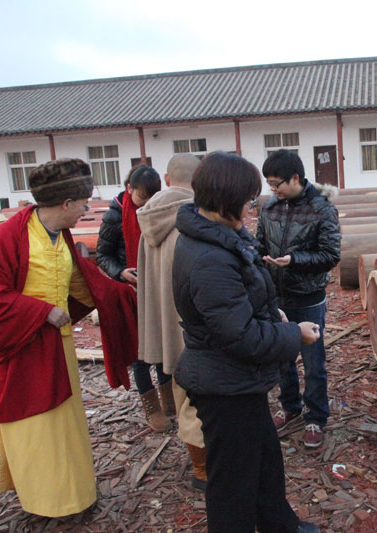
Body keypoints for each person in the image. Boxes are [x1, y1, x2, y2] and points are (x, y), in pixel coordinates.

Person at [0, 159, 138, 532]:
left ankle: (64, 498)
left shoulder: (61, 235)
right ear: (65, 203)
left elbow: (78, 280)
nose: (87, 209)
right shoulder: (8, 236)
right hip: (17, 347)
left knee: (59, 431)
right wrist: (40, 312)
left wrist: (123, 295)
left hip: (56, 350)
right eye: (84, 202)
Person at [172, 151, 320, 533]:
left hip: (236, 379)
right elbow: (241, 336)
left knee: (265, 460)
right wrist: (293, 334)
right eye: (249, 199)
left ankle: (278, 525)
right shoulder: (209, 259)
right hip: (223, 384)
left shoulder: (222, 236)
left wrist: (275, 316)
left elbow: (242, 304)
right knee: (232, 482)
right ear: (228, 199)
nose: (252, 206)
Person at [256, 149, 341, 449]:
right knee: (282, 358)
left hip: (308, 296)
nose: (273, 189)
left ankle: (316, 416)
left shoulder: (322, 209)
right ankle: (289, 405)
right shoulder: (269, 208)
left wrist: (294, 260)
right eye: (269, 184)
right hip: (277, 296)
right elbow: (259, 243)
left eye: (277, 183)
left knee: (313, 361)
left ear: (296, 178)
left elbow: (331, 255)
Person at [136, 153, 208, 489]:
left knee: (183, 393)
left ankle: (198, 463)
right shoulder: (195, 215)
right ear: (200, 181)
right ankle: (203, 471)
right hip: (194, 324)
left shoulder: (150, 215)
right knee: (200, 398)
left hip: (167, 322)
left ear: (167, 179)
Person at [96, 165, 171, 431]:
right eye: (142, 199)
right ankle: (151, 407)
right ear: (129, 190)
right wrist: (121, 272)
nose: (146, 205)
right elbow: (102, 255)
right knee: (140, 352)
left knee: (163, 344)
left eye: (152, 199)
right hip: (131, 292)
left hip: (159, 289)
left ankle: (169, 398)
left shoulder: (162, 211)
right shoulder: (115, 215)